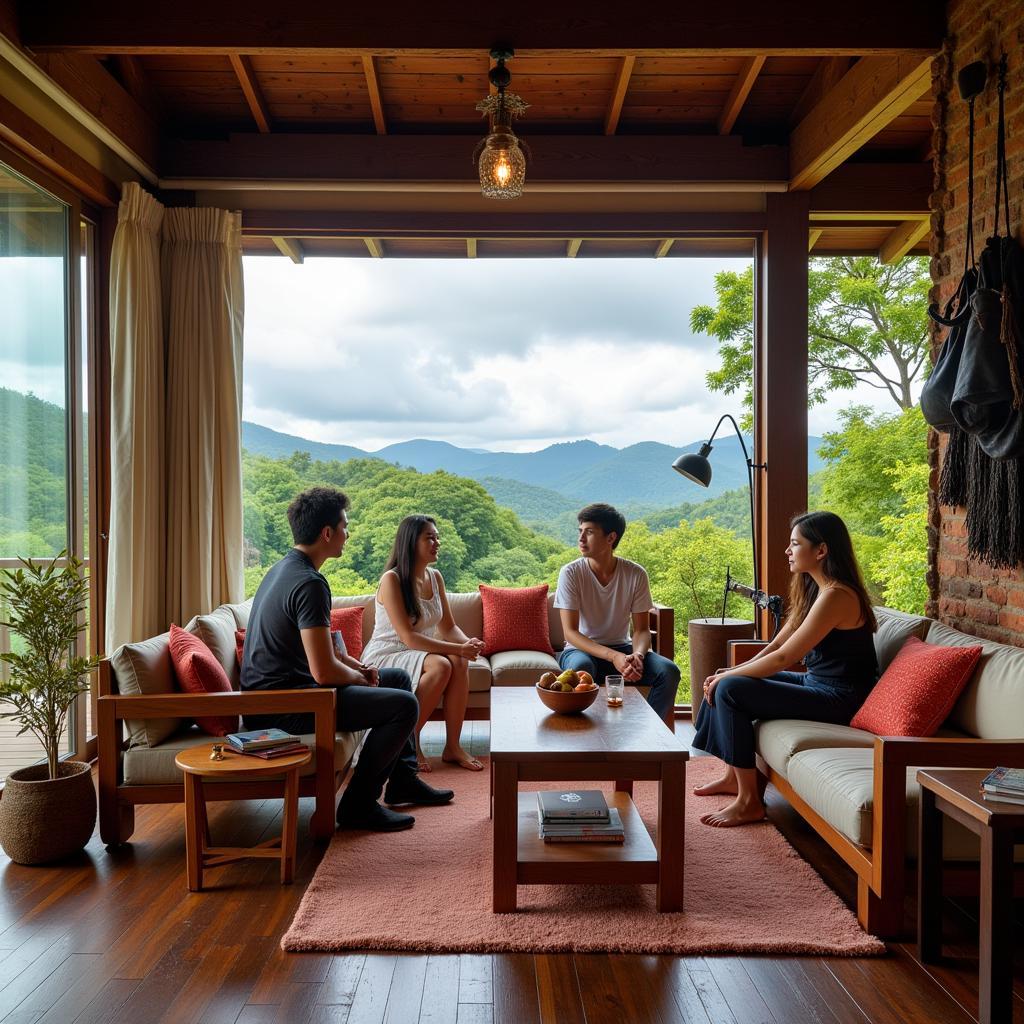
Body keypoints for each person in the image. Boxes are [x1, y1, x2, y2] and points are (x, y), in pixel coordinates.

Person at [241, 487, 454, 833]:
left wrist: (357, 667)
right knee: (404, 706)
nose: (348, 533)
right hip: (288, 707)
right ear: (327, 533)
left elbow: (321, 647)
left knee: (398, 679)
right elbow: (324, 672)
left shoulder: (283, 569)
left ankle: (403, 781)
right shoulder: (310, 583)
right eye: (344, 526)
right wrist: (360, 680)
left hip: (284, 696)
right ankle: (358, 804)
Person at [692, 510, 879, 828]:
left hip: (842, 698)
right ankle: (731, 777)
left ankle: (750, 802)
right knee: (725, 680)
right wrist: (729, 670)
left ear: (821, 550)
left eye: (795, 544)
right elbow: (775, 647)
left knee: (730, 689)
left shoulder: (837, 595)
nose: (787, 551)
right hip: (817, 683)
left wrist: (729, 677)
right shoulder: (814, 590)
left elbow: (784, 659)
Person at [361, 515, 485, 772]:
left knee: (458, 660)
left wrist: (468, 645)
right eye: (430, 537)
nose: (437, 542)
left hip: (418, 651)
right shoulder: (392, 580)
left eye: (437, 537)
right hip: (389, 653)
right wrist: (457, 648)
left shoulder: (435, 577)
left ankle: (452, 746)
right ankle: (407, 743)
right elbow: (408, 637)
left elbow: (448, 627)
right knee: (442, 665)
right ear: (410, 542)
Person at [554, 502, 680, 723]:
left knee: (668, 672)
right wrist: (615, 657)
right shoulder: (571, 572)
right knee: (581, 669)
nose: (581, 538)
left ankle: (649, 731)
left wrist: (638, 656)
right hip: (580, 650)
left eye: (589, 532)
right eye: (580, 531)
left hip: (623, 648)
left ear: (611, 538)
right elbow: (570, 633)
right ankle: (581, 735)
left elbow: (641, 630)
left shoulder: (635, 574)